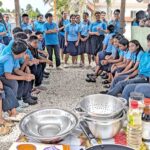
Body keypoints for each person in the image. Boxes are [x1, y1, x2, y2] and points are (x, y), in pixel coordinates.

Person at [0, 40, 34, 121]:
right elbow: (8, 76)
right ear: (21, 53)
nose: (26, 54)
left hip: (3, 75)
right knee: (8, 88)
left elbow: (17, 70)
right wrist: (24, 78)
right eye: (25, 52)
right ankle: (13, 111)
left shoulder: (14, 57)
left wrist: (27, 75)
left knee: (14, 84)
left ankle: (12, 109)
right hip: (2, 76)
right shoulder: (9, 58)